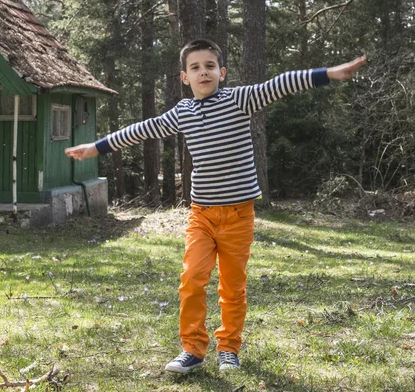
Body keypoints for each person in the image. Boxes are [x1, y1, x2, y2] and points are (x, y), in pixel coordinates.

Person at [65, 39, 366, 373]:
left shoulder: (240, 100)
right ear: (184, 77)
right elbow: (143, 129)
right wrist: (97, 147)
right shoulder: (183, 112)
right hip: (202, 215)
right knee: (192, 278)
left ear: (221, 72)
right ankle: (192, 350)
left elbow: (280, 84)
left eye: (209, 66)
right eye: (195, 67)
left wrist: (329, 74)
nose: (203, 72)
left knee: (232, 287)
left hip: (239, 215)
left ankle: (229, 349)